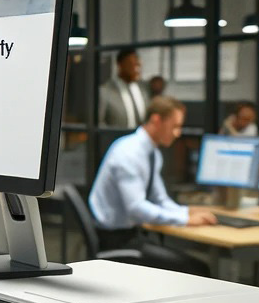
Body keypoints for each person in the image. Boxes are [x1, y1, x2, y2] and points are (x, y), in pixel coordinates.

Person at [89, 96, 216, 272]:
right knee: (198, 269)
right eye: (175, 126)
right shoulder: (129, 154)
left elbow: (160, 199)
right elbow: (137, 208)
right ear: (156, 120)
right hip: (115, 241)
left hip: (133, 234)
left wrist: (187, 212)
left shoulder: (152, 154)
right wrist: (185, 220)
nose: (177, 133)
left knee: (189, 263)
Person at [98, 47, 148, 129]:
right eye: (132, 65)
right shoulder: (104, 91)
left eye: (138, 65)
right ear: (120, 65)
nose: (137, 69)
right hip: (116, 138)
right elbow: (99, 124)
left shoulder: (143, 89)